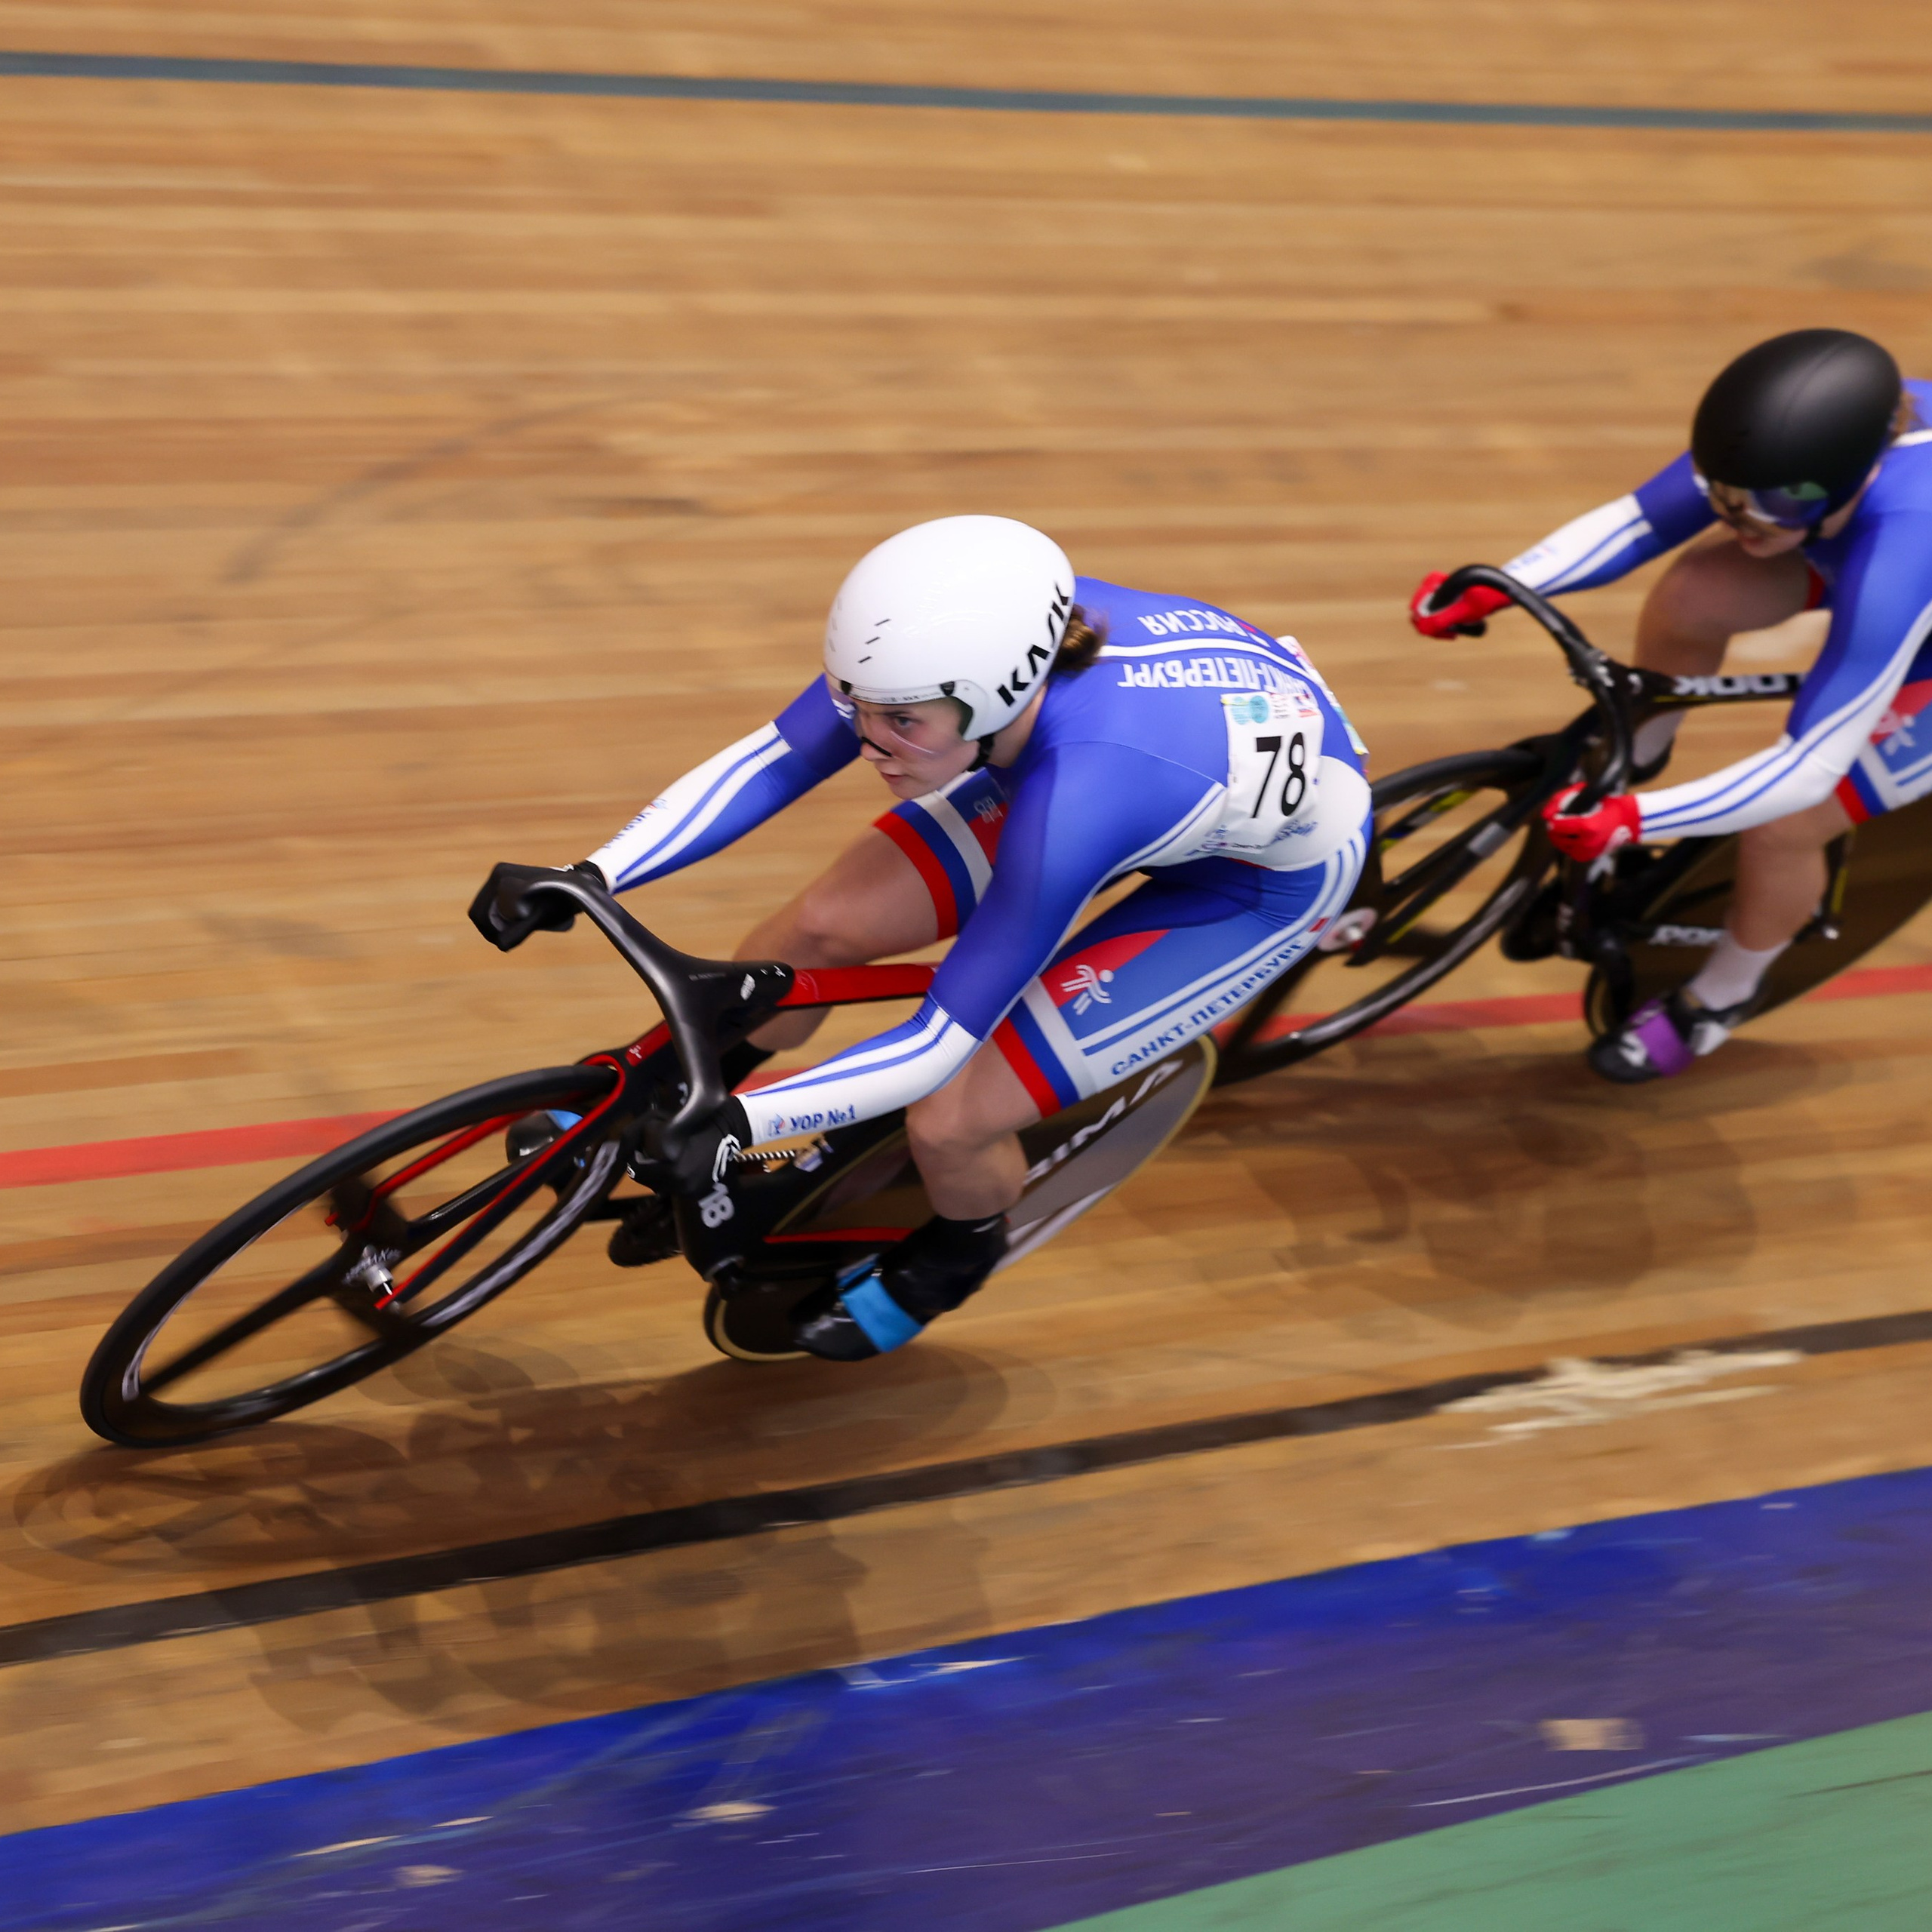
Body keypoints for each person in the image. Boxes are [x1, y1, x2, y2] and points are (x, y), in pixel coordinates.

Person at [481, 516, 1369, 1360]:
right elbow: (774, 757)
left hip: (1249, 882)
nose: (869, 741)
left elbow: (937, 1044)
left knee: (949, 1119)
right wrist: (591, 872)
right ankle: (672, 1081)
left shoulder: (1077, 797)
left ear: (997, 697)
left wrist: (740, 1129)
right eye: (857, 707)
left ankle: (961, 1250)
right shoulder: (934, 658)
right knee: (817, 929)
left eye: (902, 724)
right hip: (1131, 761)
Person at [1409, 328, 1932, 1082]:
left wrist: (1635, 821)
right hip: (1851, 545)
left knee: (1784, 825)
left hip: (1906, 585)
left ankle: (1721, 996)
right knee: (1696, 591)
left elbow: (1809, 766)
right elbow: (1635, 521)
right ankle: (1646, 743)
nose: (1743, 515)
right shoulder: (1787, 452)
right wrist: (1500, 582)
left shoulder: (1904, 538)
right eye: (1726, 493)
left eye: (1771, 503)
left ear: (1852, 478)